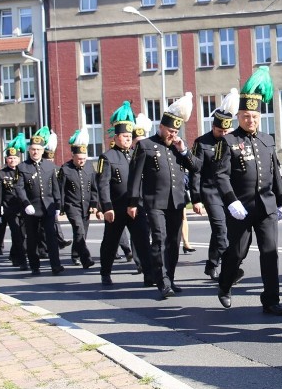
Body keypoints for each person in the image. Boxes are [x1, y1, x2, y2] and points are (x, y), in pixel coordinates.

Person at [214, 67, 282, 315]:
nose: (251, 120)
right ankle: (225, 285)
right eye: (246, 116)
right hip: (241, 209)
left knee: (270, 253)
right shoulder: (228, 141)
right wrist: (230, 201)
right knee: (236, 253)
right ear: (239, 117)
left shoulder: (267, 140)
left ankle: (271, 300)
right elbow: (221, 175)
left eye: (255, 116)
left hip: (266, 207)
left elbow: (275, 172)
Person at [128, 94, 202, 299]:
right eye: (170, 130)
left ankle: (171, 277)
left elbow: (196, 167)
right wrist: (133, 202)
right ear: (161, 127)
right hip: (154, 202)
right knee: (159, 239)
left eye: (176, 131)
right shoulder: (146, 146)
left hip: (176, 202)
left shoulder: (179, 146)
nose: (173, 134)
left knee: (173, 242)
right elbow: (135, 175)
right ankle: (162, 282)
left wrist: (184, 150)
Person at [98, 102, 153, 286]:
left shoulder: (136, 154)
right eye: (125, 136)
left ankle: (148, 274)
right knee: (110, 243)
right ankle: (105, 272)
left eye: (130, 136)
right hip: (117, 209)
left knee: (143, 241)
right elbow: (103, 184)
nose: (129, 139)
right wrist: (106, 207)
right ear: (116, 137)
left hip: (136, 207)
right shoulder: (107, 157)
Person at [190, 88, 239, 280]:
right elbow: (196, 171)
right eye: (220, 131)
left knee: (223, 229)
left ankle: (211, 265)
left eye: (227, 130)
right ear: (213, 127)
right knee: (220, 230)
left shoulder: (231, 141)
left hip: (227, 192)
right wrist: (195, 198)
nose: (224, 134)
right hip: (210, 192)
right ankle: (229, 268)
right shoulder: (201, 143)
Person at [14, 127, 64, 275]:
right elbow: (19, 187)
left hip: (48, 206)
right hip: (31, 208)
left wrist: (58, 204)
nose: (35, 152)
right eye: (33, 149)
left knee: (51, 237)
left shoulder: (49, 166)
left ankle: (56, 265)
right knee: (32, 238)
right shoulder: (22, 167)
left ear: (43, 150)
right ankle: (35, 266)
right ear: (29, 150)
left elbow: (55, 186)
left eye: (38, 149)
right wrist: (25, 203)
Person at [58, 130, 98, 270]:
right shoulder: (65, 169)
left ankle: (75, 255)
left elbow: (94, 187)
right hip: (72, 205)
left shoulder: (89, 166)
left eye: (84, 158)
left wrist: (94, 204)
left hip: (86, 206)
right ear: (73, 156)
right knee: (79, 229)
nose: (82, 161)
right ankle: (86, 259)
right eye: (79, 158)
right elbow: (61, 189)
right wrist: (61, 207)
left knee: (82, 233)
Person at [0, 134, 29, 269]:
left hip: (24, 208)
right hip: (10, 209)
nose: (12, 160)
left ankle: (14, 255)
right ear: (6, 159)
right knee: (17, 234)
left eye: (14, 158)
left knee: (23, 234)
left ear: (19, 159)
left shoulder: (24, 171)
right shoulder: (0, 174)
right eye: (10, 158)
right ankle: (22, 261)